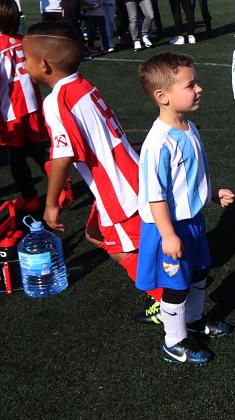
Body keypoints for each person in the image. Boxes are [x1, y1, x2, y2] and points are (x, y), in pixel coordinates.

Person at [22, 21, 164, 322]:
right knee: (98, 235)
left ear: (44, 65)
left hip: (118, 190)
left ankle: (170, 302)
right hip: (131, 175)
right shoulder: (82, 84)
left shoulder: (56, 102)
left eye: (27, 59)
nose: (24, 65)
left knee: (120, 251)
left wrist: (50, 204)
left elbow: (61, 157)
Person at [136, 52, 235, 364]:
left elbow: (188, 178)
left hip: (191, 222)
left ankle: (194, 322)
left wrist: (211, 193)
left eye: (197, 82)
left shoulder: (188, 127)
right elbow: (156, 196)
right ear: (162, 96)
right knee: (176, 286)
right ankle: (174, 341)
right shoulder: (157, 143)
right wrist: (168, 234)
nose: (199, 89)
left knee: (199, 273)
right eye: (190, 85)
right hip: (169, 227)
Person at [0, 0, 49, 217]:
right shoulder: (24, 41)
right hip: (32, 104)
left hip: (9, 109)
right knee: (34, 145)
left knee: (16, 155)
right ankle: (54, 172)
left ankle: (29, 197)